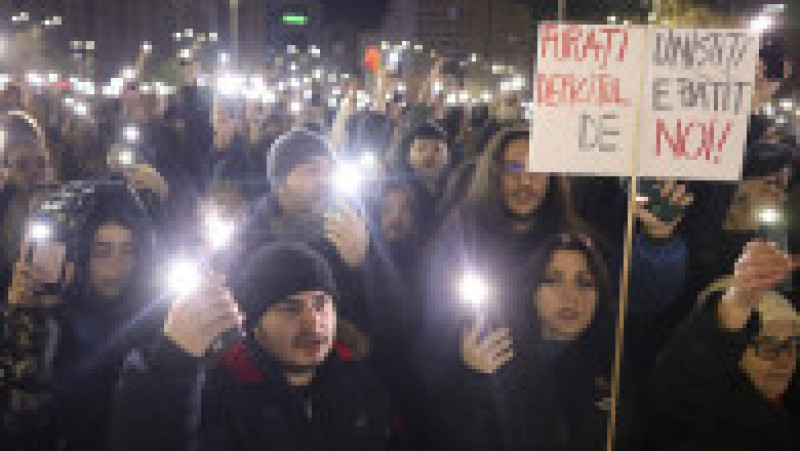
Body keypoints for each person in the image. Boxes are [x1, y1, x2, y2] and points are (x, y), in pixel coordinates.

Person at [110, 242, 393, 451]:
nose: (313, 323)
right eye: (290, 309)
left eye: (321, 304)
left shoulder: (357, 378)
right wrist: (169, 364)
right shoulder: (221, 395)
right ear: (254, 324)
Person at [440, 233, 641, 450]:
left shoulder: (617, 365)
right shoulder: (495, 359)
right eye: (552, 280)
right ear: (532, 291)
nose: (570, 296)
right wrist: (474, 381)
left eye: (585, 282)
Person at [1, 184, 159, 451]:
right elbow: (21, 426)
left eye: (128, 249)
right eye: (101, 251)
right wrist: (25, 323)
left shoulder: (154, 318)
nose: (117, 266)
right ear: (79, 254)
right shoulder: (48, 318)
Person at [650, 240, 799, 450]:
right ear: (731, 347)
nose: (785, 360)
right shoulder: (701, 417)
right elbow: (684, 384)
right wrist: (739, 303)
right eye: (768, 345)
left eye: (792, 344)